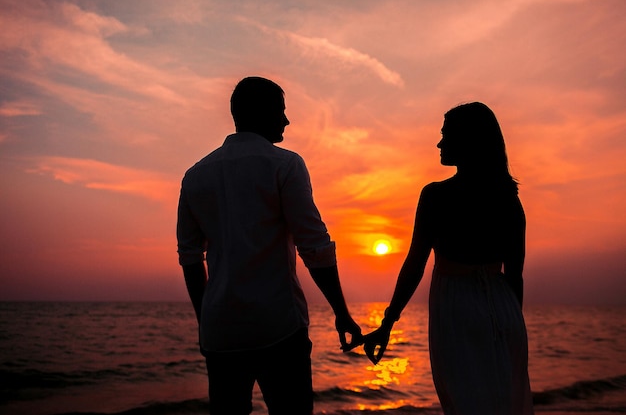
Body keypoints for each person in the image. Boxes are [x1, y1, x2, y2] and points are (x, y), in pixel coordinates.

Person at [177, 76, 362, 415]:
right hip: (278, 326)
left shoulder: (195, 175)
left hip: (220, 333)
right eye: (281, 110)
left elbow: (190, 258)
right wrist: (341, 312)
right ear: (261, 113)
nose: (287, 120)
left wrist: (205, 321)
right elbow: (315, 248)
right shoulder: (285, 164)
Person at [363, 102, 534, 414]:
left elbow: (415, 263)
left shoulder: (436, 195)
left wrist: (388, 323)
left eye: (446, 135)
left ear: (468, 141)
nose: (439, 143)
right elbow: (515, 275)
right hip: (504, 312)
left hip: (457, 311)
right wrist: (511, 328)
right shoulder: (509, 199)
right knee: (503, 402)